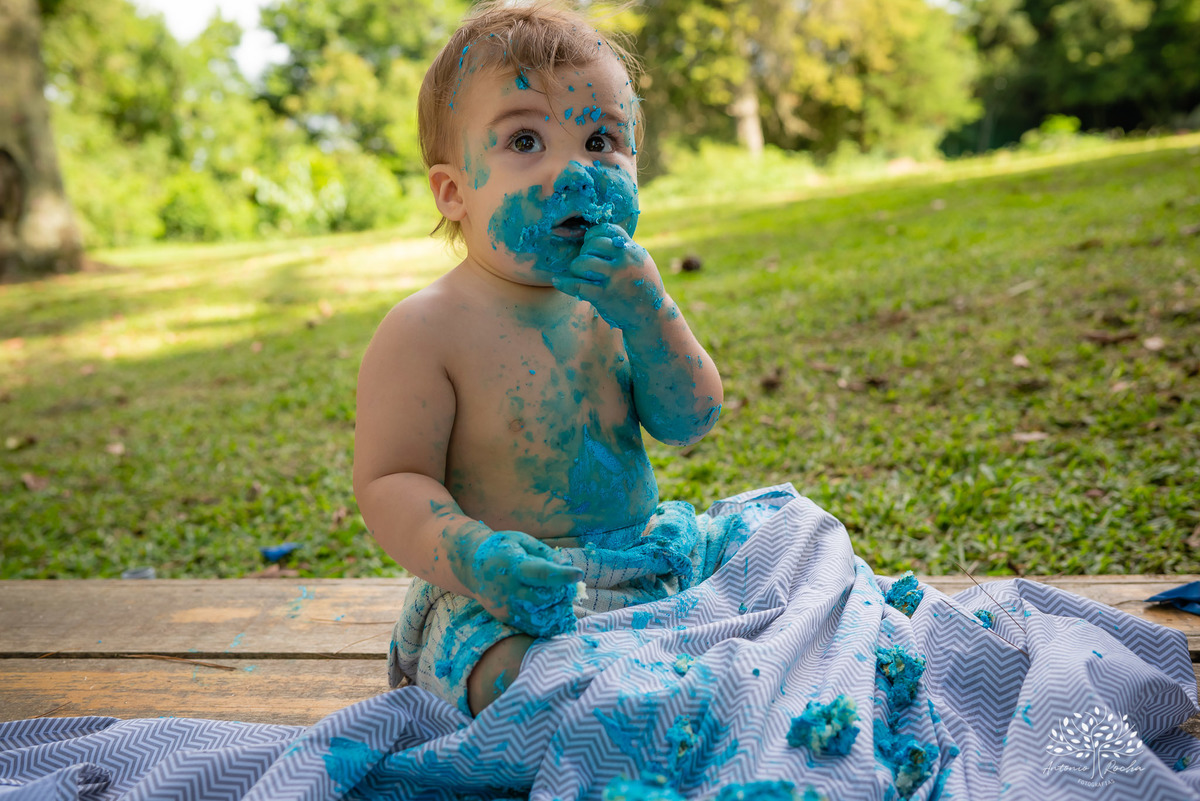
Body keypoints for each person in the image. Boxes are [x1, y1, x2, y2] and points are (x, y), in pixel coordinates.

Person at [352, 1, 724, 718]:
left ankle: (663, 682)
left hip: (644, 560)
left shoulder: (617, 299)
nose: (575, 172)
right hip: (501, 595)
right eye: (525, 140)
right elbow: (391, 479)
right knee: (518, 682)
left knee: (782, 547)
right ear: (453, 191)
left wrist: (651, 317)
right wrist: (474, 557)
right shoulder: (425, 330)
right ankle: (627, 702)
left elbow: (690, 418)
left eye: (601, 138)